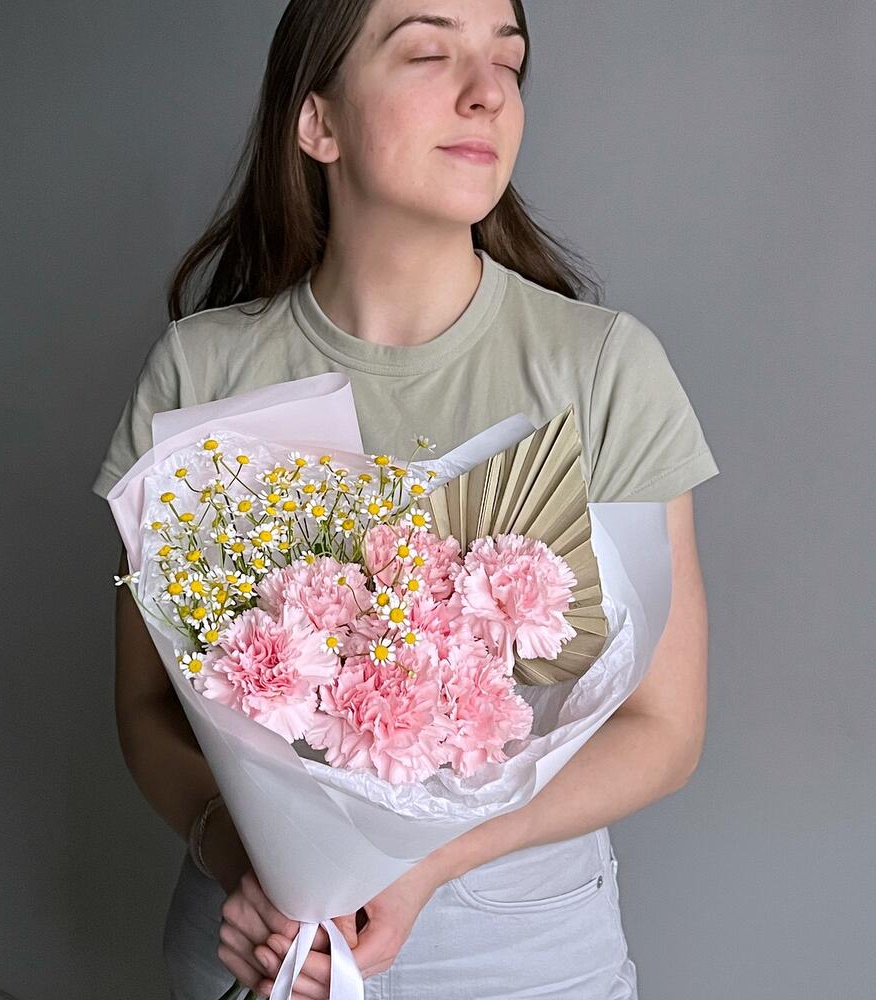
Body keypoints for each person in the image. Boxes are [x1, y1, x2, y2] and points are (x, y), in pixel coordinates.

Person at [91, 1, 721, 997]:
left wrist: (429, 862)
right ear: (318, 123)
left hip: (516, 942)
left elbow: (664, 730)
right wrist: (244, 859)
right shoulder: (197, 370)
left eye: (507, 61)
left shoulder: (605, 367)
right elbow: (144, 705)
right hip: (257, 934)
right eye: (429, 52)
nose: (487, 93)